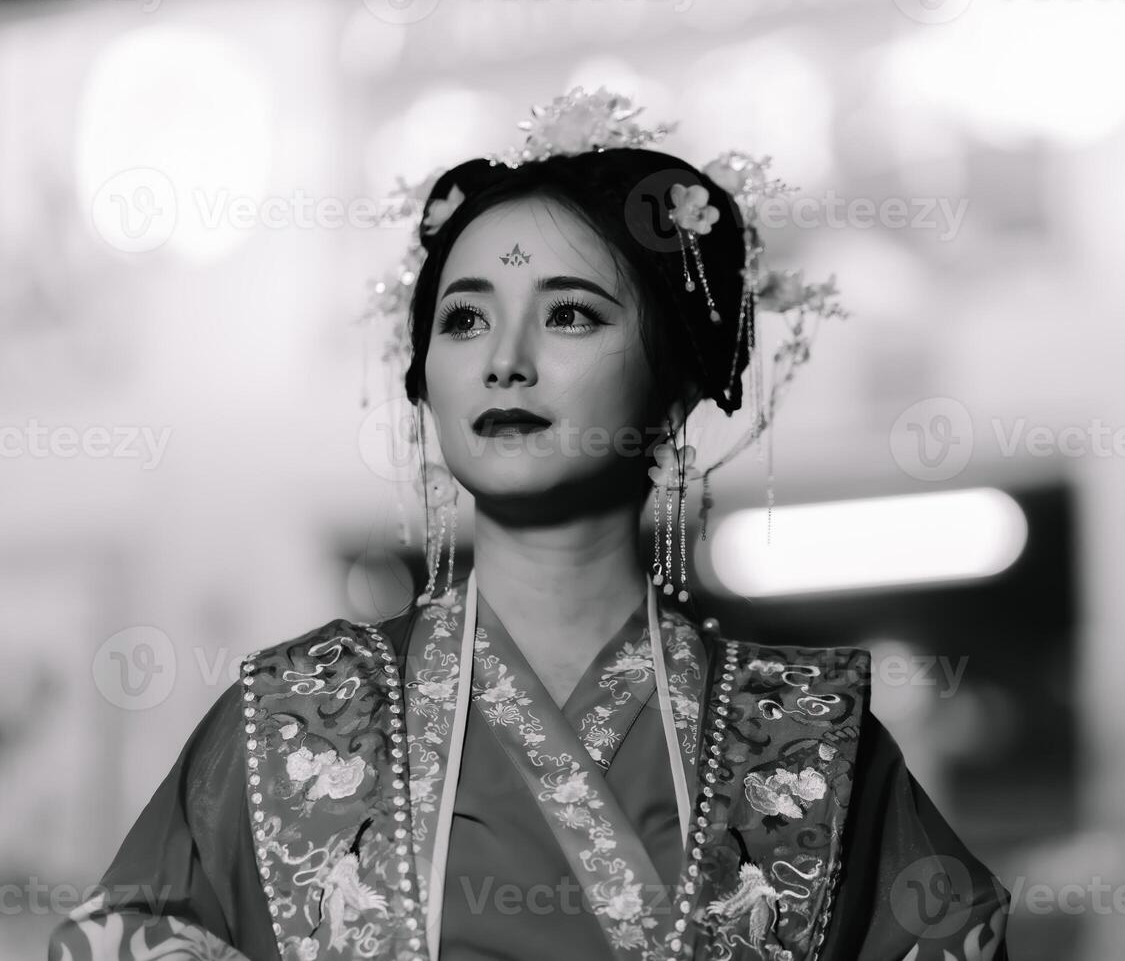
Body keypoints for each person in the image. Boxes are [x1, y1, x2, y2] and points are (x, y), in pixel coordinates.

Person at [49, 88, 1012, 961]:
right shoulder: (293, 715)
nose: (505, 361)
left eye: (571, 317)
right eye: (464, 322)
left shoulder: (805, 735)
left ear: (674, 385)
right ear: (424, 379)